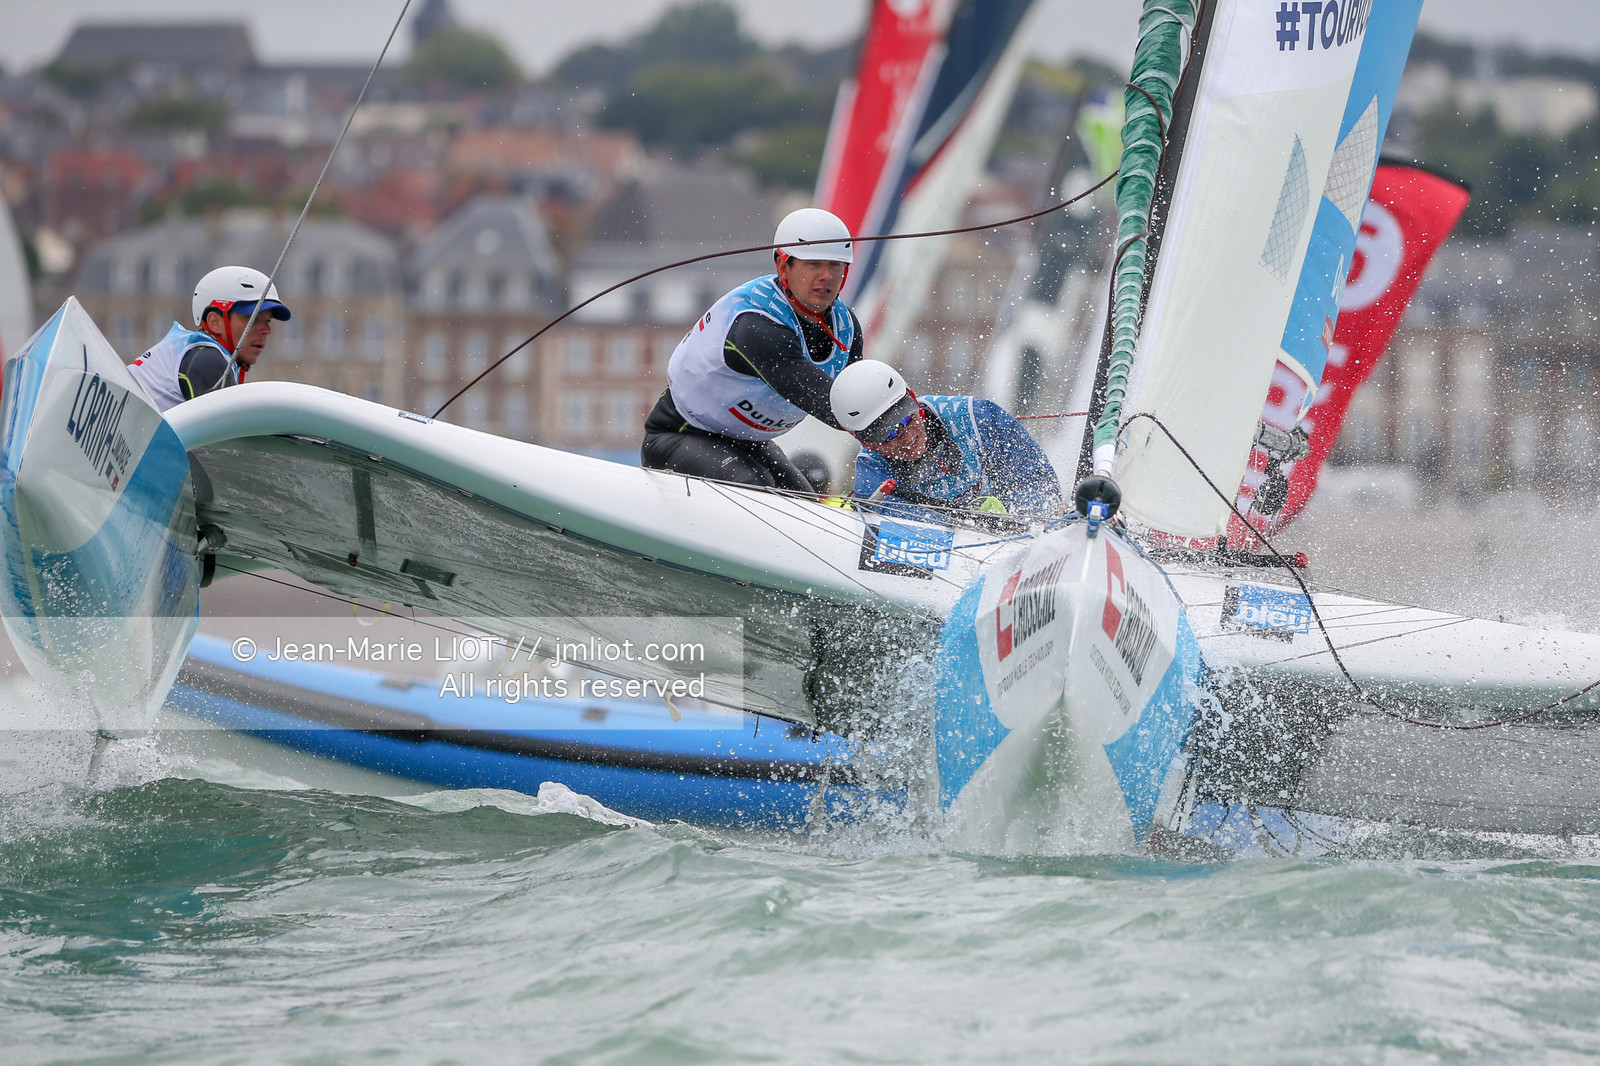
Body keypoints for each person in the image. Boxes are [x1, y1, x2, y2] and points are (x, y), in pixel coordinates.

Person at [641, 208, 864, 491]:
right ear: (784, 267)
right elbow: (834, 405)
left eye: (836, 265)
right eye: (813, 264)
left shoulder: (847, 328)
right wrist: (889, 431)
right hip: (677, 434)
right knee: (754, 489)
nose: (827, 276)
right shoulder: (757, 325)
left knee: (803, 500)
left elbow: (864, 398)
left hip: (746, 442)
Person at [830, 359, 1064, 523]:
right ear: (866, 442)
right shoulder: (871, 478)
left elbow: (1037, 482)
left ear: (913, 399)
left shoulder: (978, 417)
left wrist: (1018, 517)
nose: (908, 436)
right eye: (890, 434)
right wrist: (971, 524)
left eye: (908, 418)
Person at [128, 265, 291, 413]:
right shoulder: (208, 359)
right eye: (252, 319)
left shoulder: (191, 350)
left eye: (267, 321)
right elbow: (229, 437)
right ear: (215, 322)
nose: (266, 330)